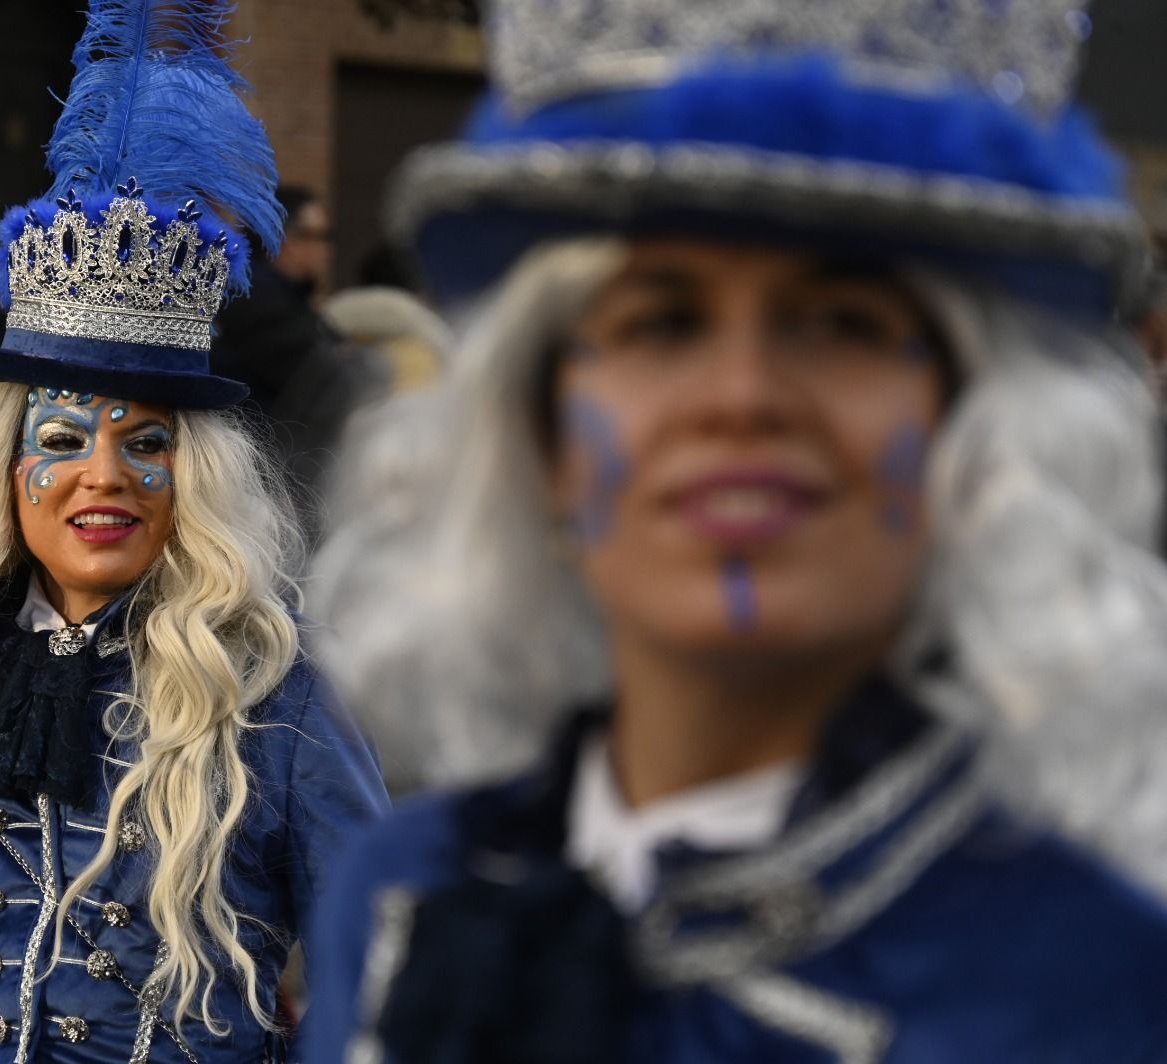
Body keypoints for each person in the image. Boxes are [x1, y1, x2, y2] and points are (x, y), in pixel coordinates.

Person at [303, 1, 1167, 1060]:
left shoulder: (1099, 992)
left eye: (841, 324)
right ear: (540, 434)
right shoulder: (399, 896)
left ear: (971, 434)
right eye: (661, 321)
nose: (742, 394)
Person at [0, 3, 388, 1062]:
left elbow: (380, 971)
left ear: (199, 472)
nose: (104, 475)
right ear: (5, 467)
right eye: (62, 434)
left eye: (147, 441)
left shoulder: (282, 687)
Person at [212, 185, 363, 539]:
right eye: (317, 236)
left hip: (281, 477)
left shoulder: (286, 299)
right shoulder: (254, 298)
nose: (325, 249)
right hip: (268, 485)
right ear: (285, 241)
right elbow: (332, 375)